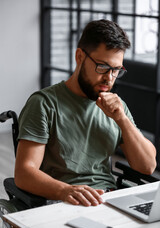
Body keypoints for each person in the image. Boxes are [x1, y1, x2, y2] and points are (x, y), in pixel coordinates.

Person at [15, 19, 156, 207]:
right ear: (80, 56)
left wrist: (122, 119)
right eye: (103, 67)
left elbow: (147, 166)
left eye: (116, 70)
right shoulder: (44, 104)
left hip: (108, 200)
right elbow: (24, 173)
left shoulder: (116, 107)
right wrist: (65, 191)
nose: (109, 78)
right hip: (62, 202)